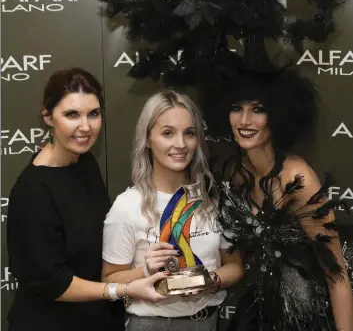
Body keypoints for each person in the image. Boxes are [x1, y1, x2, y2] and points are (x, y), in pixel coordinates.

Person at [6, 68, 169, 331]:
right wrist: (121, 289)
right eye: (72, 115)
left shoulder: (84, 163)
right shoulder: (33, 191)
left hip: (97, 319)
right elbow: (53, 283)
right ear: (48, 117)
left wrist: (143, 270)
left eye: (93, 114)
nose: (85, 126)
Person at [205, 70, 353, 331]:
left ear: (278, 116)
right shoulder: (235, 174)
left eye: (258, 109)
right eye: (236, 108)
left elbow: (336, 274)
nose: (244, 120)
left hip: (308, 315)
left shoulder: (297, 180)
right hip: (259, 310)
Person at [102, 90, 244, 331]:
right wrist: (146, 271)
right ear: (147, 139)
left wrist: (210, 281)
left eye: (189, 133)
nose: (180, 144)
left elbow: (235, 266)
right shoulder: (127, 205)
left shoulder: (213, 199)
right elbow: (109, 280)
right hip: (152, 324)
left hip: (209, 322)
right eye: (167, 133)